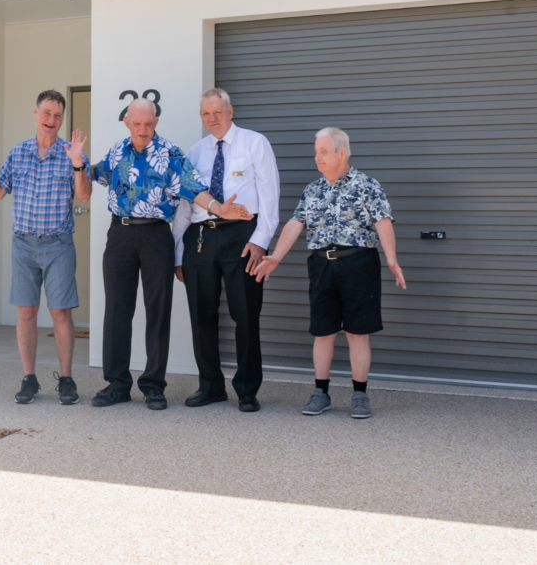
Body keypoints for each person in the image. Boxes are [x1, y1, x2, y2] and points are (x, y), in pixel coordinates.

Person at [90, 98, 251, 410]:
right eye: (137, 123)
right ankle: (117, 384)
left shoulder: (172, 153)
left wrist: (219, 208)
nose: (143, 129)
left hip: (155, 235)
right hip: (120, 234)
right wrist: (76, 163)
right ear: (127, 123)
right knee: (117, 310)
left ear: (156, 122)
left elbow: (194, 189)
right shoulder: (116, 151)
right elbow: (93, 174)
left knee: (158, 311)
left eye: (148, 123)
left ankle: (153, 386)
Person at [255, 127, 406, 419]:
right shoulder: (313, 190)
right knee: (322, 332)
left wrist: (391, 259)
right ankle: (320, 392)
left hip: (358, 263)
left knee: (357, 333)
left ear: (342, 153)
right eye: (316, 152)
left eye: (323, 152)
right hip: (321, 265)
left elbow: (383, 221)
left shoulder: (367, 185)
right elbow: (295, 224)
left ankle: (359, 394)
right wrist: (275, 256)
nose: (317, 158)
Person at [0, 89, 91, 406]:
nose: (52, 120)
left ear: (62, 119)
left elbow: (85, 195)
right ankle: (29, 378)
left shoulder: (71, 152)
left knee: (60, 313)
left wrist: (78, 163)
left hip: (58, 244)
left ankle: (66, 379)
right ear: (36, 114)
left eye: (57, 115)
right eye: (47, 113)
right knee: (26, 313)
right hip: (23, 244)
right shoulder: (17, 152)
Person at [173, 88, 280, 413]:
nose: (212, 119)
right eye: (206, 114)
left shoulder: (255, 143)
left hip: (243, 237)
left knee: (245, 313)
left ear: (230, 111)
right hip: (201, 238)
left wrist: (261, 241)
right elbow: (183, 206)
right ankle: (211, 386)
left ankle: (247, 389)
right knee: (201, 314)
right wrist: (179, 253)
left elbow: (270, 196)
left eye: (217, 112)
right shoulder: (194, 152)